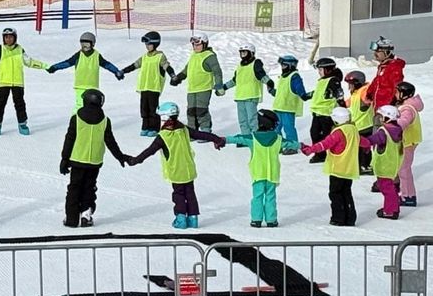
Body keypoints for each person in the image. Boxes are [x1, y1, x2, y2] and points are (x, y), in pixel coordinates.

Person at [127, 101, 225, 229]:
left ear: (164, 118)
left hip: (176, 171)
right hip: (188, 169)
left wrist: (135, 160)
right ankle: (193, 219)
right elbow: (200, 134)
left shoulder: (163, 136)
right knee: (190, 193)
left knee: (178, 194)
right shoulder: (184, 129)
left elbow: (149, 152)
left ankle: (181, 219)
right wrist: (217, 139)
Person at [59, 89, 128, 228]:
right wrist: (120, 156)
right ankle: (86, 215)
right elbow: (110, 142)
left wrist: (64, 159)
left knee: (74, 188)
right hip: (94, 162)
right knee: (89, 188)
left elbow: (69, 139)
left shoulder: (76, 118)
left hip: (78, 160)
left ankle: (72, 219)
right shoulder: (105, 121)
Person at [300, 106, 359, 227]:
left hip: (337, 168)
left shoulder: (338, 132)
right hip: (350, 168)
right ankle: (350, 218)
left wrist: (310, 149)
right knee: (346, 193)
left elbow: (324, 144)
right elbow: (363, 141)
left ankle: (338, 218)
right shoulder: (353, 129)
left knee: (335, 193)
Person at [225, 108, 283, 228]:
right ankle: (271, 220)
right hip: (272, 174)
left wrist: (223, 140)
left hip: (258, 174)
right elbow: (291, 143)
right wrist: (303, 146)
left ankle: (256, 219)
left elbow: (239, 138)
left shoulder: (253, 138)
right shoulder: (278, 139)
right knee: (270, 197)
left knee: (257, 196)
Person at [48, 32, 124, 108]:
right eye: (82, 44)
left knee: (92, 107)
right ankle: (76, 119)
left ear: (93, 44)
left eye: (87, 44)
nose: (84, 47)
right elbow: (67, 63)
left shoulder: (97, 56)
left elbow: (107, 65)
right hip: (80, 86)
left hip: (92, 87)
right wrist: (55, 67)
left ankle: (92, 119)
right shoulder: (78, 55)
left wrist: (116, 71)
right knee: (80, 106)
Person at [120, 31, 175, 137]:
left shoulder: (160, 56)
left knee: (153, 109)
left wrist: (173, 75)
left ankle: (154, 128)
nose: (147, 46)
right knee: (144, 109)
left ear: (155, 44)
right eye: (146, 44)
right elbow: (134, 65)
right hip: (144, 87)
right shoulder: (144, 57)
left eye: (148, 44)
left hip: (154, 87)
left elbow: (166, 67)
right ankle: (145, 126)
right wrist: (123, 71)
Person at [169, 33, 224, 134]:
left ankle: (205, 130)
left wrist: (219, 85)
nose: (195, 47)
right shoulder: (193, 55)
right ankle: (192, 131)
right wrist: (178, 78)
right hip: (192, 89)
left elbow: (217, 71)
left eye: (198, 45)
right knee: (191, 111)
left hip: (204, 88)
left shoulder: (209, 56)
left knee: (201, 110)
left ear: (205, 44)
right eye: (194, 45)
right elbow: (187, 70)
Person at [218, 43, 274, 136]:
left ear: (251, 53)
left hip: (251, 96)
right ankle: (246, 137)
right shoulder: (240, 66)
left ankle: (255, 136)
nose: (243, 55)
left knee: (252, 119)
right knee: (242, 120)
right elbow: (235, 80)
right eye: (241, 53)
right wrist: (224, 87)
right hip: (240, 97)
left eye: (245, 53)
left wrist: (268, 81)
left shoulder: (256, 63)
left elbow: (261, 75)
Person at [359, 105, 404, 220]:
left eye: (381, 117)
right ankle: (393, 206)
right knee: (390, 188)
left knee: (387, 189)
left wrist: (357, 139)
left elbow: (371, 141)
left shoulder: (384, 132)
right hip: (393, 163)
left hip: (384, 165)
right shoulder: (397, 129)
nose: (380, 119)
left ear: (387, 118)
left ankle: (390, 211)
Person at [306, 58, 344, 164]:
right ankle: (319, 154)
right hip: (317, 113)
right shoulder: (322, 80)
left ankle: (330, 153)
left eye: (320, 69)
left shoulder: (333, 80)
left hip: (326, 114)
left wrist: (343, 107)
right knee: (314, 134)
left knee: (326, 136)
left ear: (327, 70)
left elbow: (339, 95)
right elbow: (319, 93)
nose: (319, 72)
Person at [393, 81, 423, 207]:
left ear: (404, 94)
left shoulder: (407, 109)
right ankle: (407, 194)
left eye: (397, 92)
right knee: (403, 168)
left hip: (407, 142)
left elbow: (404, 122)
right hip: (408, 141)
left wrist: (392, 124)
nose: (395, 94)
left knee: (403, 169)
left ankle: (408, 196)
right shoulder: (407, 106)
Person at [271, 55, 308, 155]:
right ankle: (278, 145)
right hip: (278, 107)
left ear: (291, 65)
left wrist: (303, 94)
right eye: (282, 65)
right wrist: (272, 91)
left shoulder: (294, 77)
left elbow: (299, 89)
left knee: (289, 128)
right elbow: (282, 92)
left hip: (288, 108)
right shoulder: (283, 77)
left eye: (284, 65)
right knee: (276, 128)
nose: (282, 68)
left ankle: (292, 146)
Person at [344, 70, 375, 176]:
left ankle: (365, 165)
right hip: (358, 125)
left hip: (365, 126)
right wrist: (341, 103)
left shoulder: (363, 91)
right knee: (358, 147)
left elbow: (367, 98)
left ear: (357, 83)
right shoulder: (356, 93)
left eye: (350, 84)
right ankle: (359, 164)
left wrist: (368, 98)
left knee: (364, 147)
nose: (349, 87)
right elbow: (349, 102)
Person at [365, 36, 405, 110]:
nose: (375, 54)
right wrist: (369, 94)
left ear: (387, 52)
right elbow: (377, 81)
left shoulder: (394, 67)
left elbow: (397, 87)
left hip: (387, 109)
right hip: (378, 107)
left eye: (378, 51)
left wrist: (392, 103)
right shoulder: (383, 66)